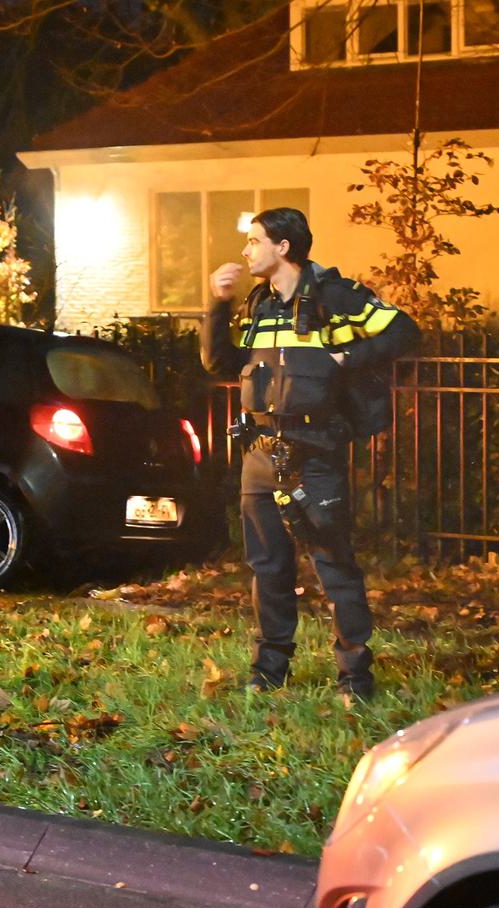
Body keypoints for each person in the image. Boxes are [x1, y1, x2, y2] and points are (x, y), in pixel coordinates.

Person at [202, 207, 419, 700]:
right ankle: (268, 672)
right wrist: (216, 305)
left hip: (315, 451)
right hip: (259, 451)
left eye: (254, 241)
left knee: (334, 565)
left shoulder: (334, 296)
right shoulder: (257, 304)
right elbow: (217, 361)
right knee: (268, 566)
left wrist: (349, 357)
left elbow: (404, 331)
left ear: (283, 247)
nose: (246, 250)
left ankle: (354, 677)